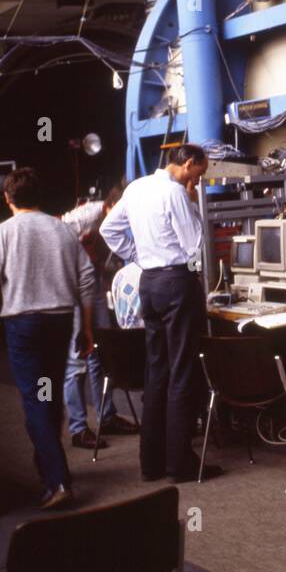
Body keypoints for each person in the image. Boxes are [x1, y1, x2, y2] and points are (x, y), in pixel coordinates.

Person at [0, 168, 95, 510]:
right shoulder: (62, 229)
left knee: (35, 400)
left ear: (7, 198)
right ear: (40, 196)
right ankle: (46, 468)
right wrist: (87, 329)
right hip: (60, 323)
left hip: (24, 327)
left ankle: (59, 480)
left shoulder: (2, 233)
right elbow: (87, 280)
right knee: (49, 398)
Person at [101, 144, 219, 483]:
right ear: (189, 162)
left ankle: (150, 463)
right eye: (200, 172)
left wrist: (138, 257)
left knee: (157, 372)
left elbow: (109, 229)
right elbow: (194, 244)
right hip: (176, 283)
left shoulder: (136, 187)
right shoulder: (175, 194)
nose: (199, 180)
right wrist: (193, 206)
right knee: (183, 372)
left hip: (149, 284)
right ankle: (179, 464)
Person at [61, 186, 137, 447]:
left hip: (92, 282)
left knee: (100, 352)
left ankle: (106, 416)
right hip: (72, 284)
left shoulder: (120, 220)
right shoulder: (85, 215)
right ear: (110, 207)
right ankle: (79, 427)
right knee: (76, 357)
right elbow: (57, 234)